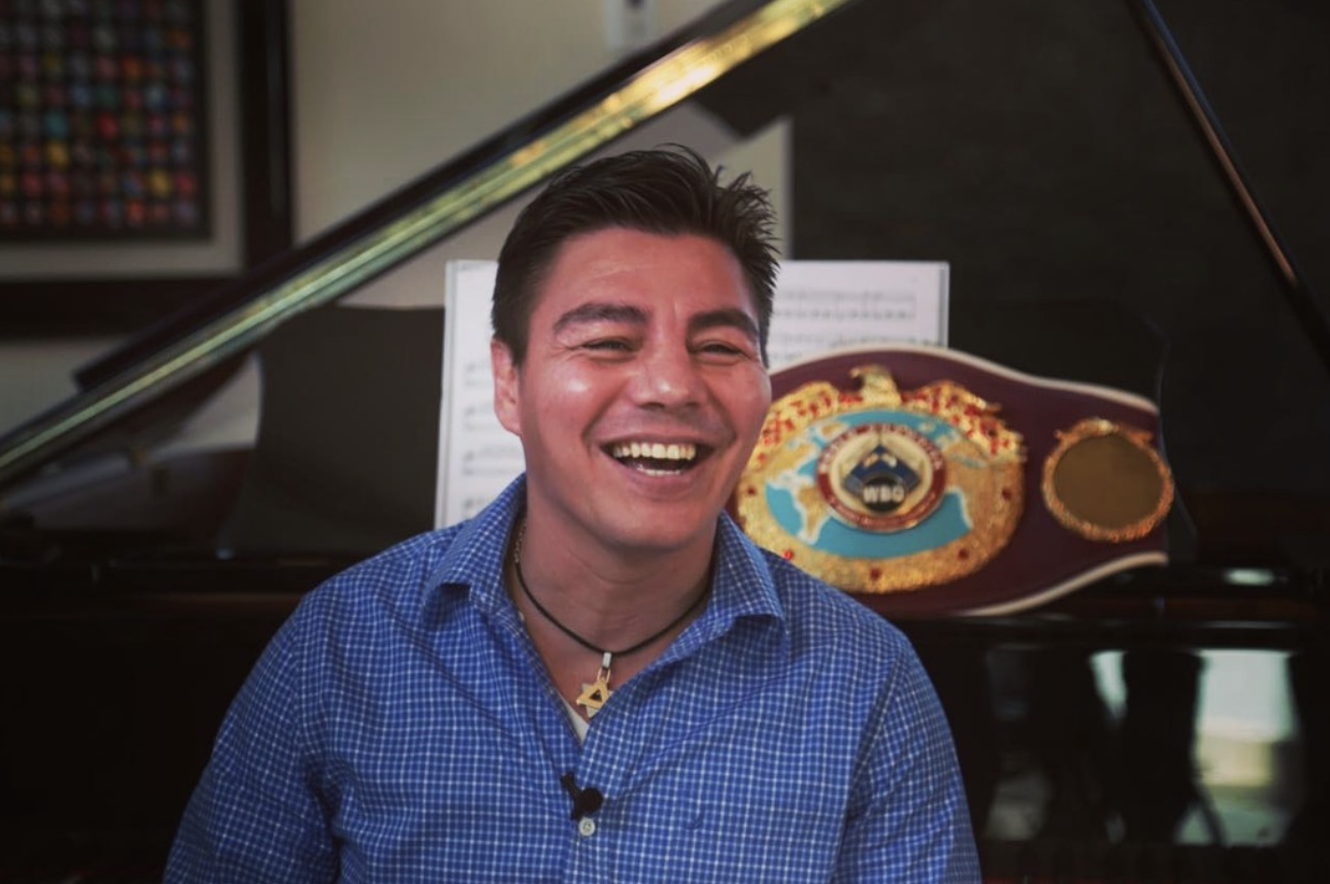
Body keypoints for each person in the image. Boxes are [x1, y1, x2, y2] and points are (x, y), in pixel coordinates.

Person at [165, 146, 980, 882]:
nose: (672, 386)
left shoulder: (870, 681)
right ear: (508, 381)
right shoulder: (338, 645)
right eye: (608, 343)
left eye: (720, 348)